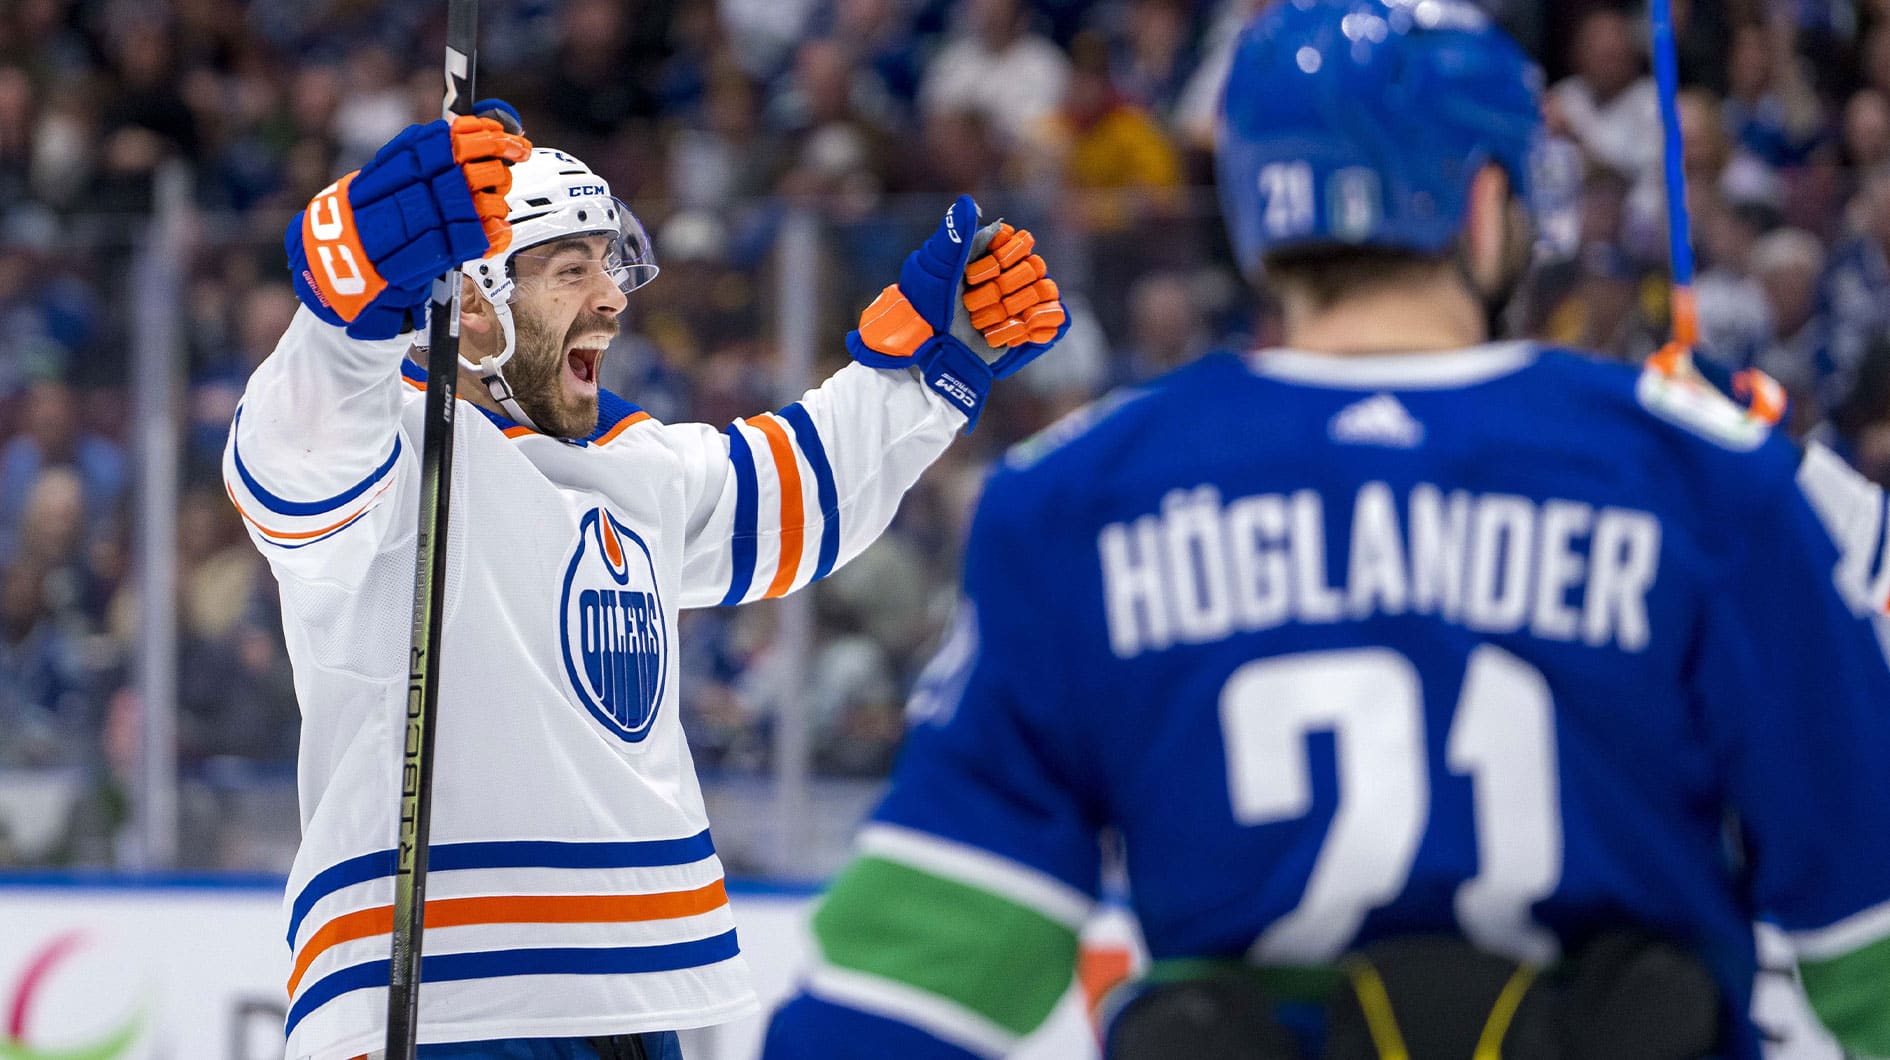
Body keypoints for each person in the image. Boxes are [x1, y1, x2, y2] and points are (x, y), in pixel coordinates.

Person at [761, 3, 1890, 1058]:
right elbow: (1868, 941)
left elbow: (908, 983)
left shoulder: (1079, 496)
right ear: (1491, 202)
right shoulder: (1697, 474)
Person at [225, 101, 1068, 1060]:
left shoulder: (636, 463)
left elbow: (796, 495)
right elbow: (291, 452)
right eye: (569, 268)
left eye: (610, 263)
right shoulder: (393, 450)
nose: (613, 297)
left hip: (633, 1001)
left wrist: (930, 365)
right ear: (471, 302)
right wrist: (354, 283)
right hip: (438, 1004)